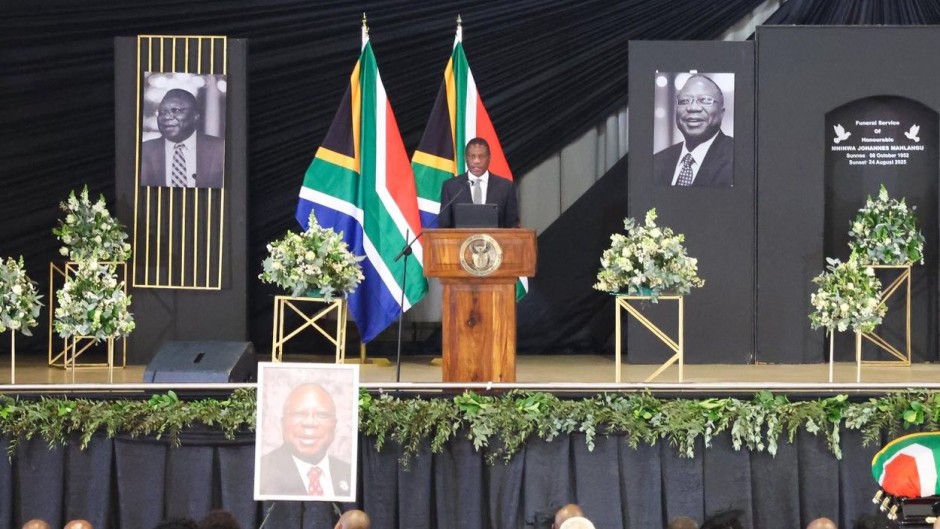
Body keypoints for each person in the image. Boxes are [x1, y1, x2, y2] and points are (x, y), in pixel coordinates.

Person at [258, 383, 352, 498]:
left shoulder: (349, 474)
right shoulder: (263, 472)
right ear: (283, 423)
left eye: (321, 415)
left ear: (334, 424)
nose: (310, 423)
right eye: (299, 414)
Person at [653, 74, 734, 187]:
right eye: (685, 101)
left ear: (722, 113)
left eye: (705, 100)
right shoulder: (657, 161)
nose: (693, 108)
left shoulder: (738, 158)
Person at [140, 88, 225, 188]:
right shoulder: (144, 150)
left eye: (175, 110)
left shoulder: (220, 149)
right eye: (162, 112)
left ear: (195, 116)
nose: (167, 117)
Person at [438, 137, 520, 228]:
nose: (476, 161)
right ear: (466, 158)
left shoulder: (506, 187)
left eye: (481, 156)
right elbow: (444, 226)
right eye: (472, 156)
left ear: (489, 158)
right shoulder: (450, 187)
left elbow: (513, 226)